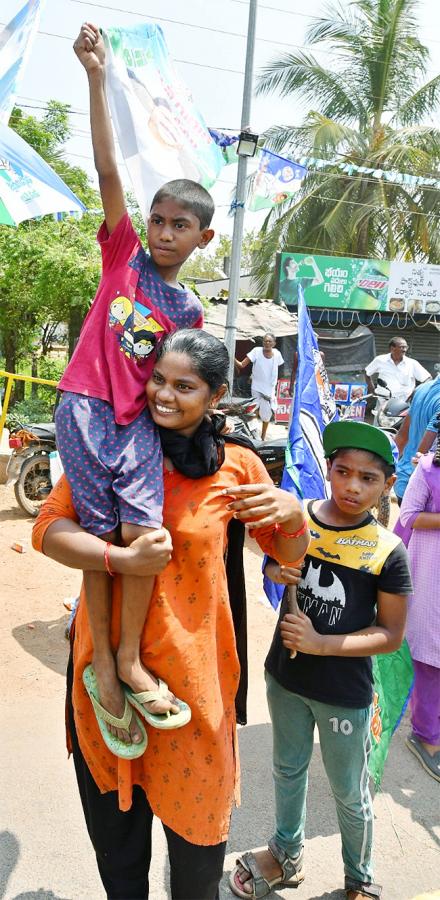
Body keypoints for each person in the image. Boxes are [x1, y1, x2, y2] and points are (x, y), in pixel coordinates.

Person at [32, 329, 310, 900]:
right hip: (103, 679)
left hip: (192, 692)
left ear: (215, 397)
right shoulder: (111, 446)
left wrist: (292, 513)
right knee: (120, 864)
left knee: (196, 871)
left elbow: (286, 554)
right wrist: (118, 555)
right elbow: (49, 529)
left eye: (185, 386)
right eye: (158, 379)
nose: (164, 394)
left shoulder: (237, 466)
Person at [55, 23, 216, 736]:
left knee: (144, 538)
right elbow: (107, 170)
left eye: (179, 224)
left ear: (203, 237)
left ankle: (127, 658)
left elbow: (185, 386)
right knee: (99, 543)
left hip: (136, 424)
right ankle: (101, 661)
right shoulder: (123, 255)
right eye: (157, 219)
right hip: (86, 407)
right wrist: (95, 74)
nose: (163, 230)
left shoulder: (189, 309)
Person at [230, 420, 412, 900]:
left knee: (349, 792)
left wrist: (324, 644)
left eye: (368, 478)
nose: (353, 486)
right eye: (343, 471)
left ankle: (359, 877)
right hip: (285, 677)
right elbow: (270, 560)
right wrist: (275, 566)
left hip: (343, 693)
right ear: (327, 470)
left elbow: (391, 635)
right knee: (287, 770)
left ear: (387, 485)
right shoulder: (300, 518)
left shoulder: (387, 551)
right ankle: (286, 854)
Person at [395, 431, 440, 783]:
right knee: (429, 655)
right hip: (429, 572)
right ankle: (425, 737)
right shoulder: (427, 469)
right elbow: (409, 516)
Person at [394, 374, 440, 503]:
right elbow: (422, 453)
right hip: (424, 491)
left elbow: (402, 436)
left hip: (403, 482)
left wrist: (386, 469)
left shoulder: (422, 388)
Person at [235, 334, 284, 440]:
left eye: (270, 341)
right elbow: (241, 365)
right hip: (256, 387)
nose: (267, 343)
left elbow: (278, 368)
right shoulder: (256, 351)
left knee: (266, 415)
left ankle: (262, 436)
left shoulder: (277, 354)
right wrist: (231, 355)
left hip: (269, 389)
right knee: (253, 411)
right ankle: (254, 434)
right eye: (265, 341)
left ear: (274, 343)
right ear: (263, 342)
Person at [365, 337, 430, 402]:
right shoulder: (380, 360)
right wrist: (372, 390)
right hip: (383, 401)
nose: (404, 350)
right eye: (402, 347)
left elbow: (428, 379)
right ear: (392, 348)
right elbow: (367, 373)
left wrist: (416, 392)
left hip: (404, 403)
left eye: (406, 347)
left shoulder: (412, 363)